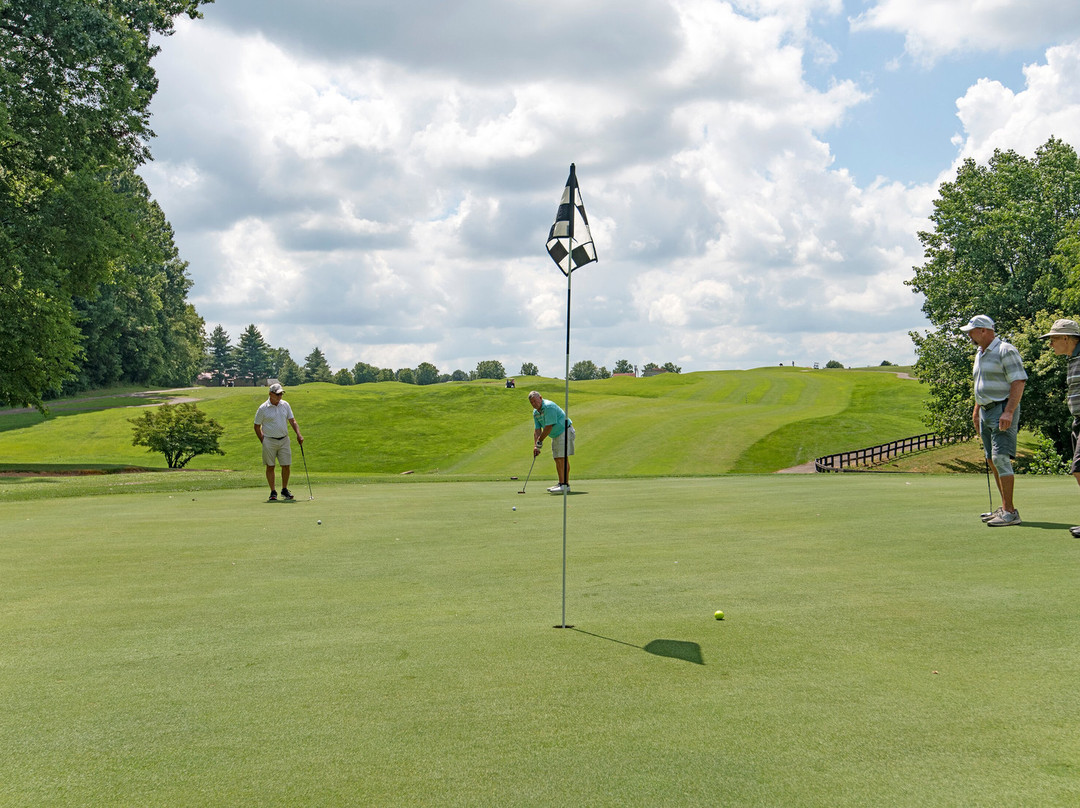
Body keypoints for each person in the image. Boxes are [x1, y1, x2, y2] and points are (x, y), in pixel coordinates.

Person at [961, 315, 1027, 526]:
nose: (969, 335)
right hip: (985, 411)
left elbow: (1018, 381)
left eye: (971, 331)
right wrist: (976, 410)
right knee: (991, 458)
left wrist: (1008, 411)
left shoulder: (1005, 350)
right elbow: (982, 384)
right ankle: (1003, 508)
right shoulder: (980, 353)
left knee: (1000, 458)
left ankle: (1010, 512)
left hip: (1001, 409)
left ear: (984, 330)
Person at [1039, 319, 1080, 536]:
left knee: (1079, 469)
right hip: (1078, 421)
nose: (1050, 344)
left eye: (1053, 339)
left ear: (1066, 338)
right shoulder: (1072, 359)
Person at [253, 382, 304, 501]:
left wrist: (298, 434)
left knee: (286, 465)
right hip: (269, 440)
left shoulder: (285, 405)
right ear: (270, 394)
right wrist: (263, 440)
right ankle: (273, 491)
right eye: (278, 394)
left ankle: (284, 489)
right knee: (270, 466)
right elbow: (256, 426)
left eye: (281, 394)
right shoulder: (263, 408)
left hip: (284, 439)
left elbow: (292, 421)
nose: (280, 396)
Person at [529, 390, 575, 493]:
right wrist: (536, 446)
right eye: (531, 403)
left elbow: (549, 427)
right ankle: (561, 483)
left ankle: (565, 485)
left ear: (540, 398)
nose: (534, 404)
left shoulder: (549, 407)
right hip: (556, 435)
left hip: (565, 431)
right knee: (557, 458)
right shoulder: (536, 412)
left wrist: (540, 441)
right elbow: (537, 430)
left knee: (562, 458)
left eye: (535, 401)